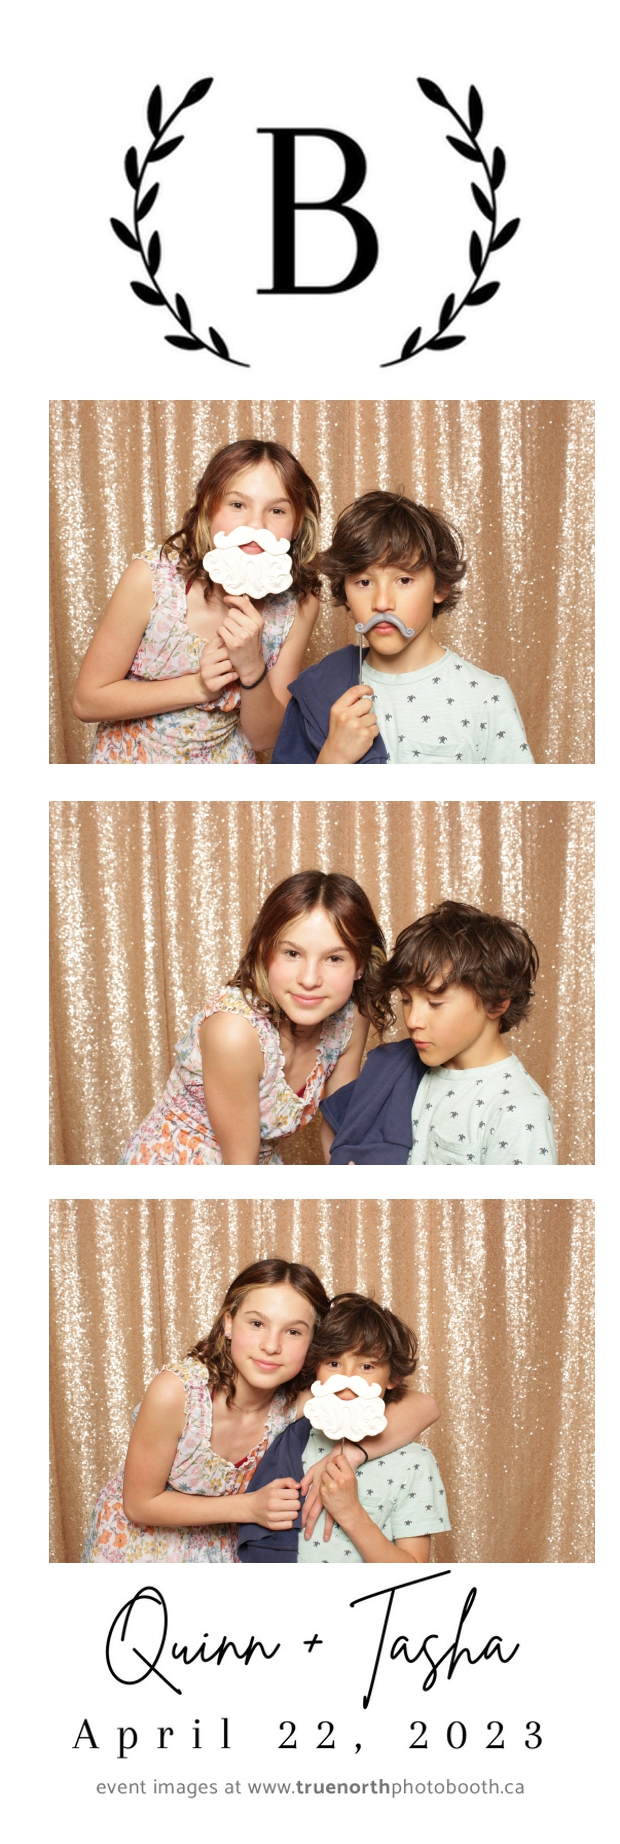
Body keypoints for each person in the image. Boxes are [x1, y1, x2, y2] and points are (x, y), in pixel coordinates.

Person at [81, 1261, 440, 1563]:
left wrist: (351, 1454)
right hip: (137, 1549)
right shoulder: (177, 1393)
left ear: (313, 1343)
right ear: (228, 1324)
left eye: (293, 1331)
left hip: (223, 1555)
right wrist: (249, 1508)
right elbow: (140, 1504)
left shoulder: (295, 1402)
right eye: (256, 1324)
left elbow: (425, 1406)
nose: (271, 1345)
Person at [73, 439, 322, 763]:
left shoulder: (298, 605)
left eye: (277, 511)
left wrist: (252, 669)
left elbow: (265, 738)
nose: (255, 525)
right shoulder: (152, 578)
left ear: (297, 524)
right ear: (209, 508)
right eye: (237, 505)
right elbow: (88, 701)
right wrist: (200, 687)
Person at [119, 871, 392, 1165]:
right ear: (265, 951)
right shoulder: (234, 1031)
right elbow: (241, 1168)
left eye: (334, 958)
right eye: (292, 953)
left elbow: (340, 1132)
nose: (310, 979)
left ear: (360, 964)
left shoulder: (351, 1017)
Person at [272, 490, 534, 765]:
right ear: (345, 592)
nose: (382, 603)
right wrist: (332, 759)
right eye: (364, 583)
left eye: (404, 580)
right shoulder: (318, 688)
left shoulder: (486, 697)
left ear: (441, 587)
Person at [321, 900, 557, 1165]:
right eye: (407, 1000)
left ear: (497, 1002)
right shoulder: (400, 1067)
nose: (413, 1020)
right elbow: (339, 1124)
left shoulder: (519, 1109)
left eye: (434, 1003)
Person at [238, 1293, 449, 1563]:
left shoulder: (414, 1463)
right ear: (315, 1367)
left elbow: (415, 1572)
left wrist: (350, 1512)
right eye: (334, 1364)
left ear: (393, 1377)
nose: (347, 1379)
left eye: (367, 1366)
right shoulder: (286, 1431)